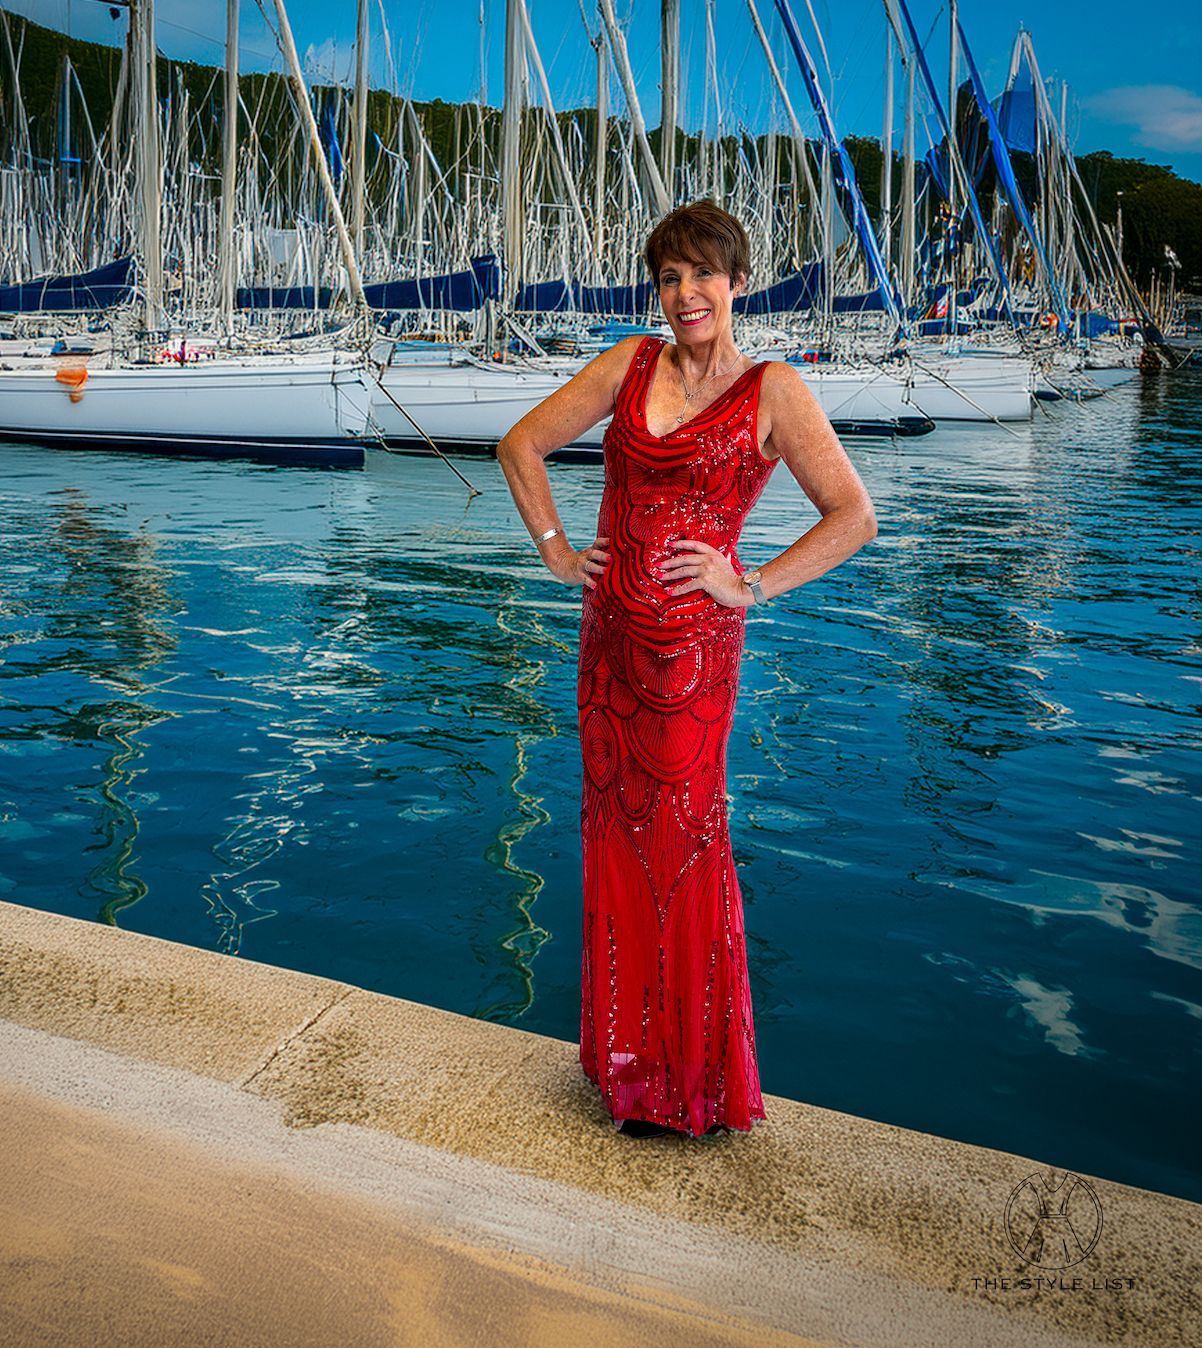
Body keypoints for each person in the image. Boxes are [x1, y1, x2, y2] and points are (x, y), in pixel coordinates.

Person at [497, 201, 877, 1139]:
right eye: (668, 278)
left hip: (692, 668)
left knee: (684, 848)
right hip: (608, 656)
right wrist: (554, 546)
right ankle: (622, 1067)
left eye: (702, 274)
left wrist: (748, 583)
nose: (684, 294)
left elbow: (852, 517)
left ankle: (686, 1085)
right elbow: (521, 445)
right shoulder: (628, 365)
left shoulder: (773, 390)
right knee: (617, 848)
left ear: (736, 281)